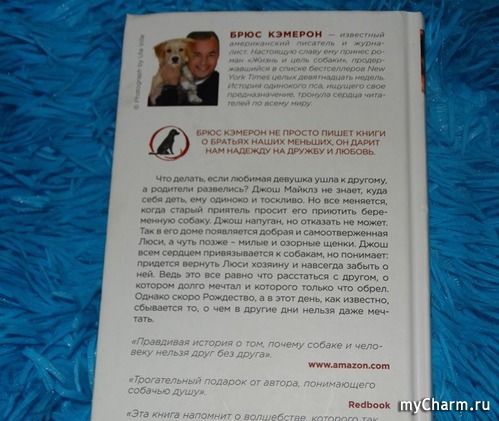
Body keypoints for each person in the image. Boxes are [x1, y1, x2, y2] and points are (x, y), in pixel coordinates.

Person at [150, 31, 220, 106]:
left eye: (211, 55)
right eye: (197, 55)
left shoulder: (219, 89)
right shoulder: (160, 77)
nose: (203, 62)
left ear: (218, 55)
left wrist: (170, 84)